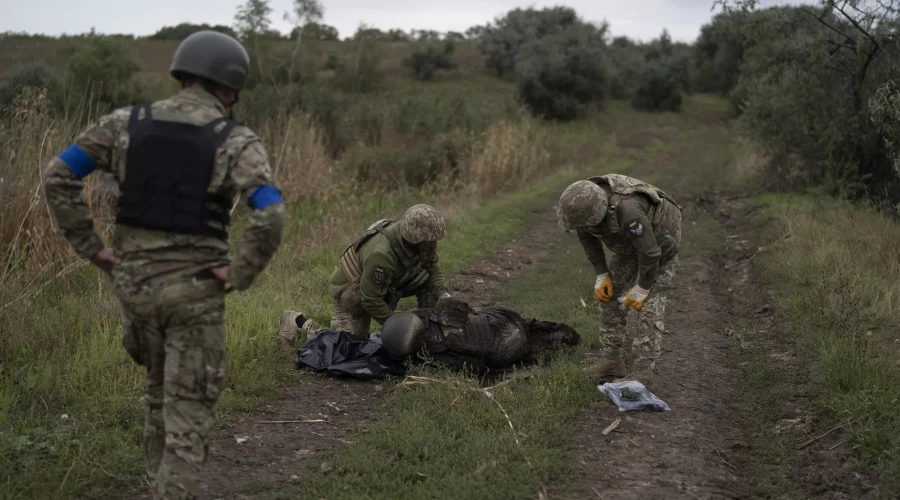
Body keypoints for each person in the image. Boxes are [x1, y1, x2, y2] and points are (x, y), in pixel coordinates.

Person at [42, 31, 285, 500]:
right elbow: (270, 209)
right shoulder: (235, 141)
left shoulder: (124, 123)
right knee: (188, 418)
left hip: (135, 292)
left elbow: (58, 174)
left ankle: (158, 486)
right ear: (230, 89)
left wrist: (92, 248)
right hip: (194, 295)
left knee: (158, 394)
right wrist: (240, 272)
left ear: (182, 73)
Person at [556, 174, 682, 384]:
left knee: (649, 304)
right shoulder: (586, 208)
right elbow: (587, 238)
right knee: (609, 294)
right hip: (628, 243)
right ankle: (612, 360)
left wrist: (642, 288)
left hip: (659, 243)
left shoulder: (628, 211)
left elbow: (650, 253)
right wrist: (602, 274)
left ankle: (643, 373)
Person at [280, 296, 580, 376]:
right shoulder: (420, 346)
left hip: (505, 326)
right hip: (396, 344)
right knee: (348, 346)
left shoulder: (430, 322)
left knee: (353, 345)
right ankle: (299, 321)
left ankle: (301, 322)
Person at [281, 204, 450, 340]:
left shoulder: (421, 243)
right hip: (352, 291)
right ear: (415, 239)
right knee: (346, 348)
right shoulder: (382, 255)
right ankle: (297, 322)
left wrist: (443, 295)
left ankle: (430, 332)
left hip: (381, 285)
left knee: (427, 283)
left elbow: (432, 267)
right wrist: (399, 327)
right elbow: (370, 299)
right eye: (430, 241)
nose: (434, 244)